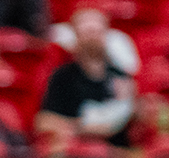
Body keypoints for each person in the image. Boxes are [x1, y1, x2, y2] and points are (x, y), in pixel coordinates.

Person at [37, 9, 138, 148]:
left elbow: (129, 119)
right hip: (77, 153)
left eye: (97, 31)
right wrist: (82, 127)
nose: (92, 38)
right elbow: (43, 120)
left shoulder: (121, 77)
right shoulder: (62, 77)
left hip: (116, 156)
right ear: (76, 36)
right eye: (87, 32)